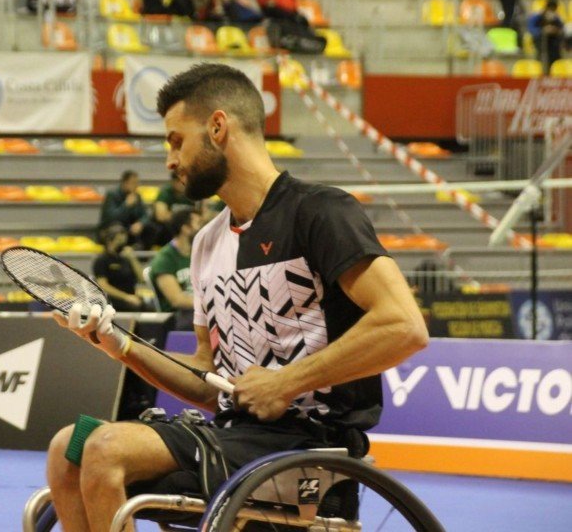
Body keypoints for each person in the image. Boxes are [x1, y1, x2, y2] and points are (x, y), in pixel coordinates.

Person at [46, 63, 429, 531]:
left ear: (218, 127)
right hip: (233, 441)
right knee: (71, 448)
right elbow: (210, 379)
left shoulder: (321, 213)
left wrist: (284, 382)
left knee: (106, 450)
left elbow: (403, 326)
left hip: (307, 451)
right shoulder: (207, 244)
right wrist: (116, 343)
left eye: (175, 141)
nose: (169, 161)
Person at [148, 209, 201, 329]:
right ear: (185, 228)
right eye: (198, 224)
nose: (202, 229)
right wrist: (211, 304)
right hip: (178, 317)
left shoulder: (198, 253)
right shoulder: (165, 259)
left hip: (198, 310)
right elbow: (177, 300)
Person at [93, 223, 146, 312]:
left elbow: (142, 279)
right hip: (112, 300)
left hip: (131, 298)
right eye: (119, 240)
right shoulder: (101, 260)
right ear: (109, 241)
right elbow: (103, 285)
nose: (122, 243)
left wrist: (132, 258)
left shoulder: (126, 259)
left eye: (124, 240)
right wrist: (126, 297)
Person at [142, 173, 194, 248]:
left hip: (186, 228)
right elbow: (161, 216)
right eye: (179, 181)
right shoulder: (165, 193)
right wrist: (180, 218)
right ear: (173, 182)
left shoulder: (190, 193)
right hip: (167, 230)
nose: (183, 184)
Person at [98, 170, 148, 248]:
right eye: (133, 183)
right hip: (111, 230)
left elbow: (145, 215)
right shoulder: (112, 195)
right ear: (124, 183)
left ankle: (145, 256)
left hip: (129, 229)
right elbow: (111, 218)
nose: (136, 186)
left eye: (137, 183)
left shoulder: (137, 196)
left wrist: (140, 223)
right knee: (117, 229)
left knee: (151, 228)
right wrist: (126, 205)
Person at [529, 0, 564, 69]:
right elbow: (531, 29)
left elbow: (561, 29)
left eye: (553, 9)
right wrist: (543, 30)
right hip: (541, 44)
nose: (551, 11)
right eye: (550, 8)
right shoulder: (537, 16)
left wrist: (555, 30)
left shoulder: (556, 18)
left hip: (553, 46)